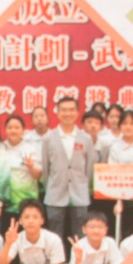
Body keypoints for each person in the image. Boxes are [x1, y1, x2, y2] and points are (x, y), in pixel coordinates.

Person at [41, 96, 95, 244]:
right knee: (54, 236)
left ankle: (78, 259)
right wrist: (51, 186)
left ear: (77, 113)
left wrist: (83, 186)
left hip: (79, 194)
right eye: (64, 110)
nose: (67, 114)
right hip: (55, 194)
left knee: (80, 235)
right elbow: (46, 169)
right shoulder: (48, 138)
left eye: (71, 110)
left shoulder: (86, 138)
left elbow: (89, 168)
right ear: (58, 113)